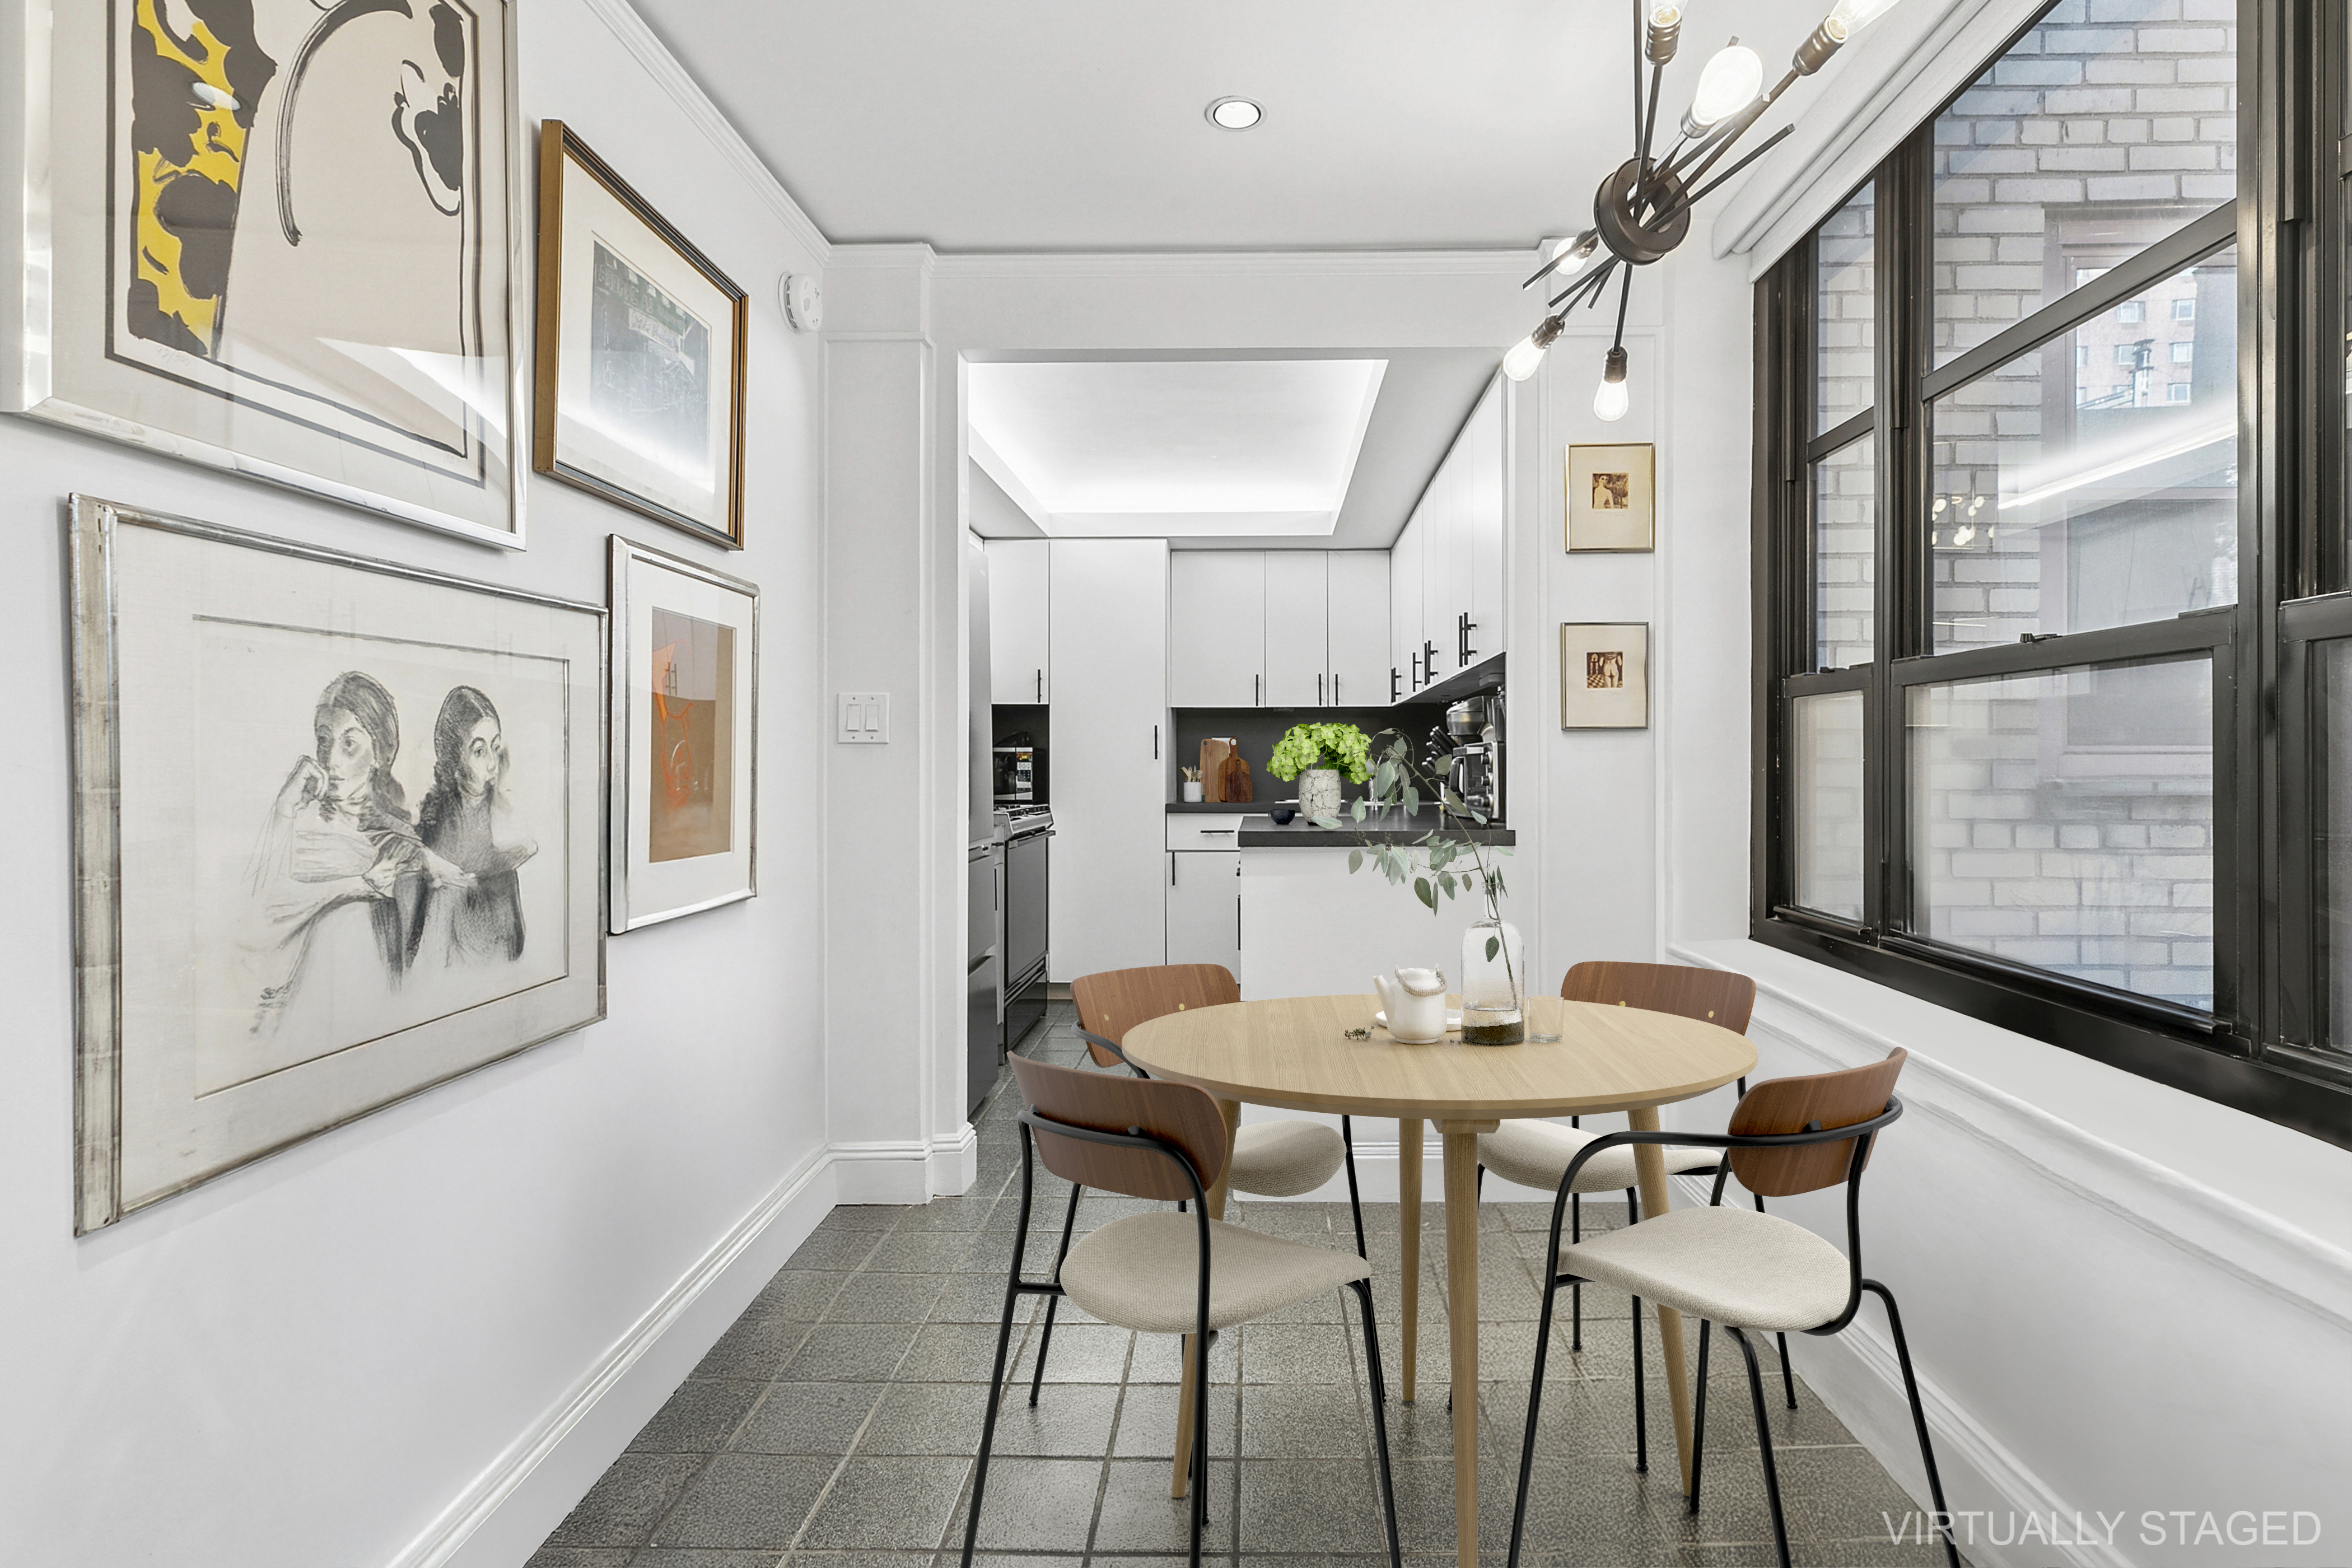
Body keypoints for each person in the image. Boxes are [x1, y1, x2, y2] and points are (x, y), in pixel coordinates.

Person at [245, 671, 473, 1039]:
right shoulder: (298, 821)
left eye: (349, 744)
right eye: (324, 741)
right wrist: (285, 809)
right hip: (292, 1022)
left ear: (379, 754)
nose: (331, 759)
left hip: (370, 1020)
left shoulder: (401, 839)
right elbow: (259, 916)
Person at [414, 685, 536, 967]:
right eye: (479, 751)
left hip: (502, 958)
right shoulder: (439, 823)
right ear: (455, 758)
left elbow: (529, 846)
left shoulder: (500, 809)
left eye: (495, 748)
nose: (493, 763)